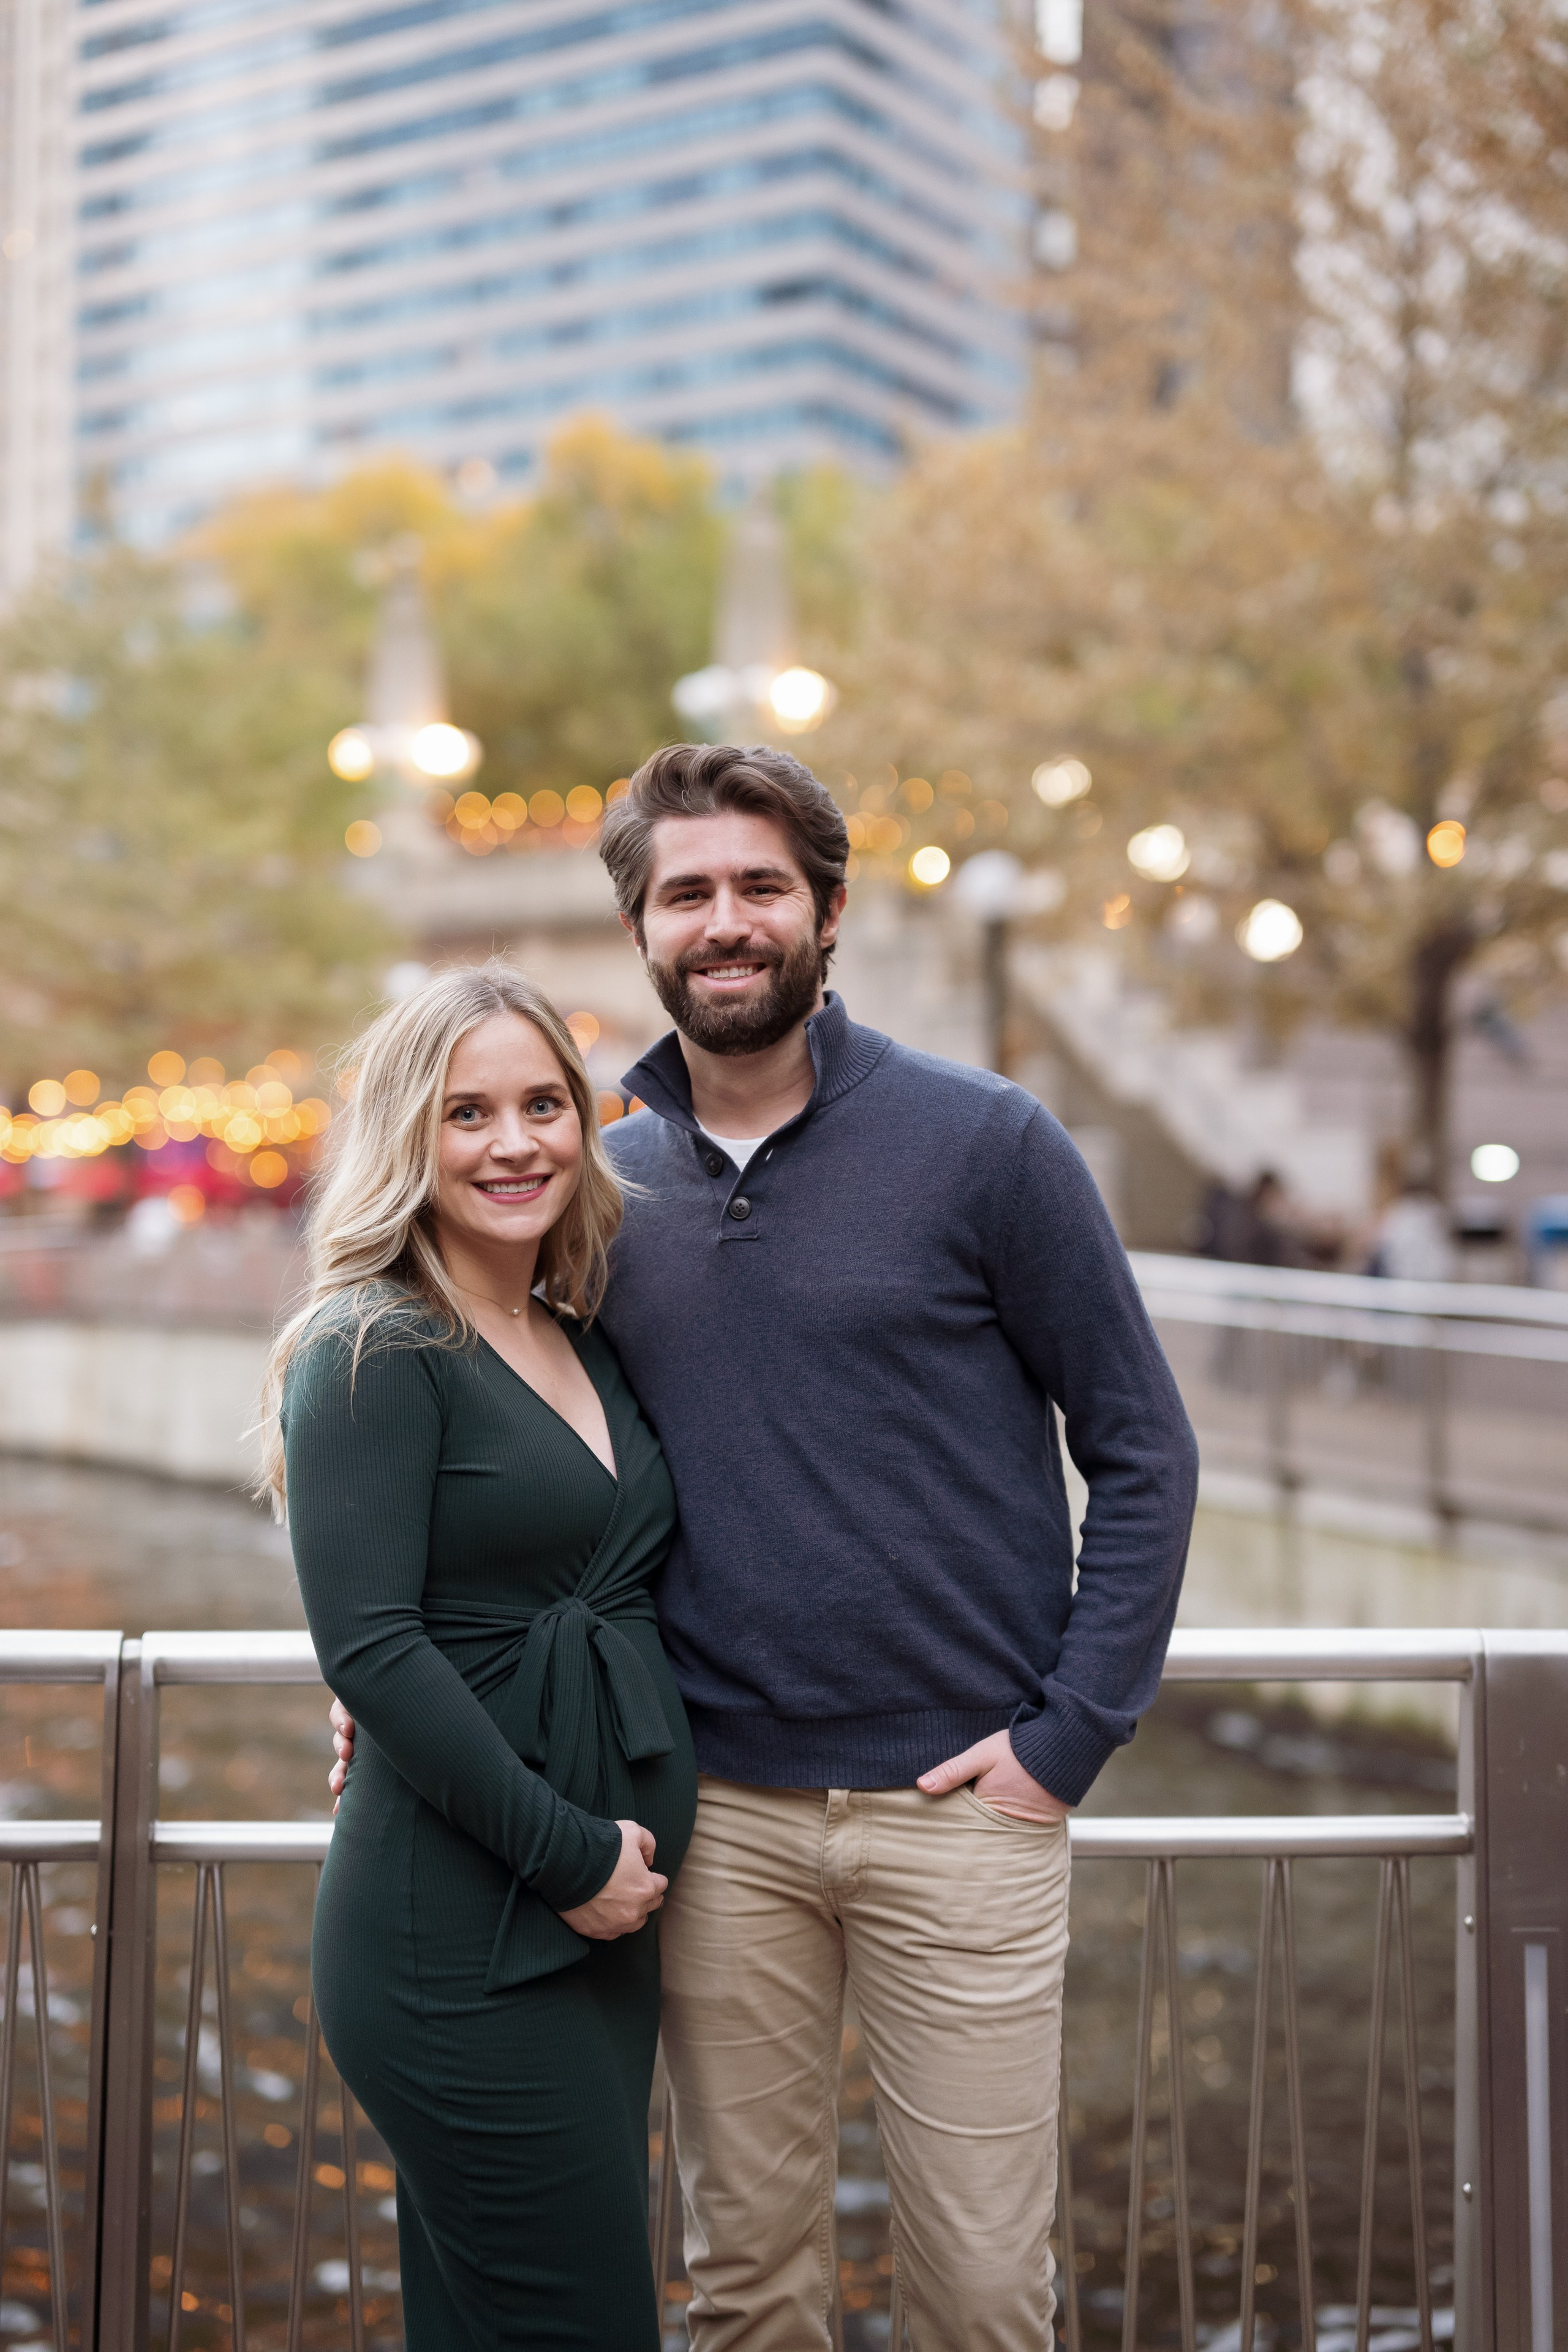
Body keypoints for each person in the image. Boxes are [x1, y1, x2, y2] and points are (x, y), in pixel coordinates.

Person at [332, 744, 1200, 2352]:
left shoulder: (987, 1143)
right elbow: (529, 1469)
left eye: (758, 887)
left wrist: (1064, 1742)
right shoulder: (600, 1190)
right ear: (642, 929)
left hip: (965, 1813)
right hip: (709, 1818)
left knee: (990, 2294)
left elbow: (1144, 1447)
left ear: (828, 911)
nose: (723, 920)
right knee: (749, 2286)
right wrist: (408, 1655)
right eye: (686, 894)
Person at [264, 967, 697, 2348]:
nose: (514, 1143)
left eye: (540, 1105)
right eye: (466, 1113)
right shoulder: (371, 1347)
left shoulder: (569, 1331)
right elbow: (375, 1652)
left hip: (599, 1924)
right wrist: (570, 1858)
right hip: (465, 1931)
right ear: (408, 1135)